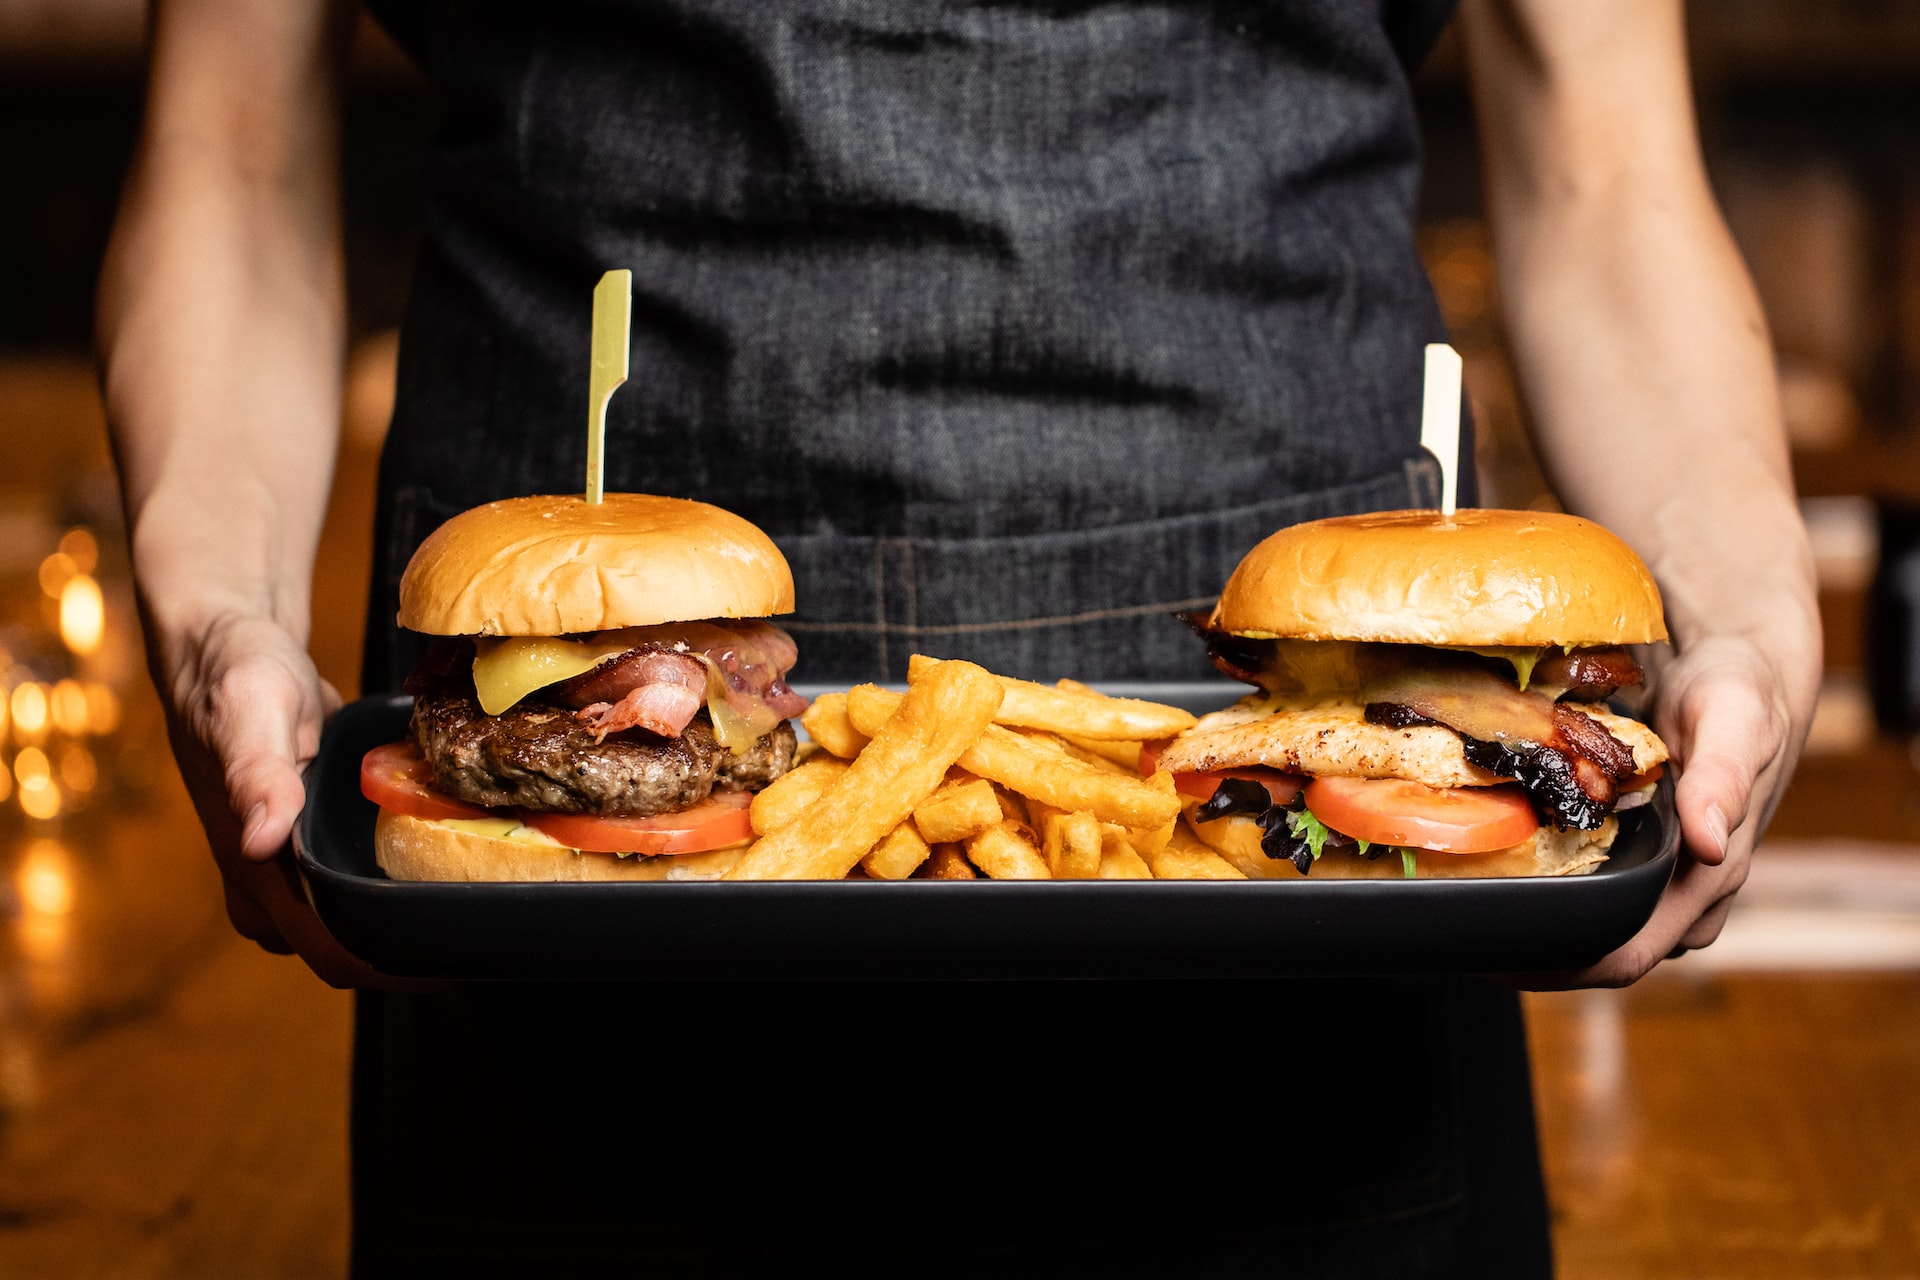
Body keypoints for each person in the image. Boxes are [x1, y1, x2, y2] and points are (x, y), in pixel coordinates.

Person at [98, 1, 1820, 1275]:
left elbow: (1604, 167)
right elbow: (228, 144)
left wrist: (1742, 608)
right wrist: (213, 610)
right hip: (558, 947)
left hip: (1327, 957)